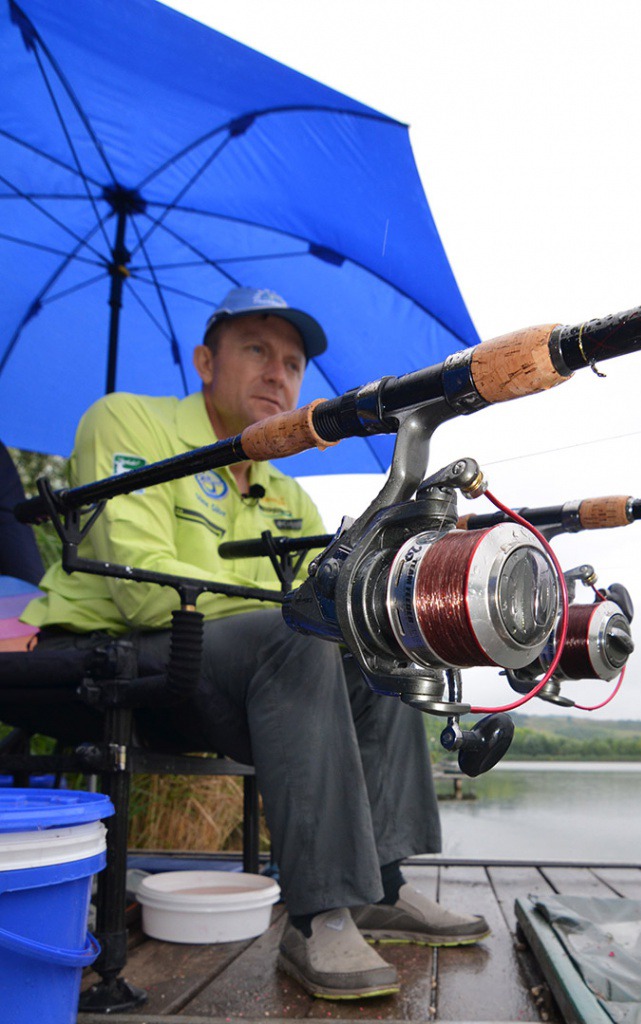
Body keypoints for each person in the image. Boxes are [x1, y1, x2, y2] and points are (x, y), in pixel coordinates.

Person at [22, 286, 488, 1000]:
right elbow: (141, 592)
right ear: (206, 361)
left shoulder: (288, 496)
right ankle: (318, 916)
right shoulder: (126, 420)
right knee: (299, 633)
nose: (279, 374)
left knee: (376, 641)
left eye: (294, 363)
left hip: (234, 670)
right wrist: (295, 610)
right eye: (258, 351)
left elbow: (322, 615)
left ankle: (383, 885)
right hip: (116, 647)